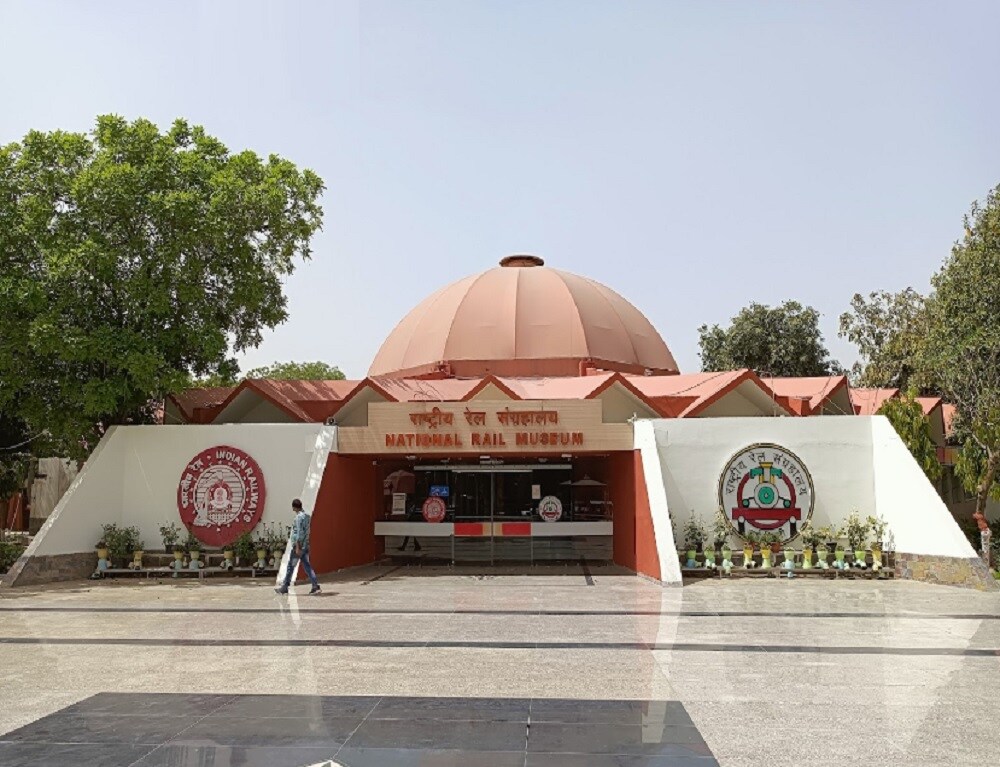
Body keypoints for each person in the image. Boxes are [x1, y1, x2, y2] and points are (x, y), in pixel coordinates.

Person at [275, 498, 321, 595]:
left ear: (294, 507)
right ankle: (315, 586)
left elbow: (299, 532)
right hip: (306, 546)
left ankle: (284, 587)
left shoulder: (298, 518)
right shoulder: (307, 516)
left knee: (290, 567)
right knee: (307, 566)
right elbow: (307, 531)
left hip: (299, 546)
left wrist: (297, 546)